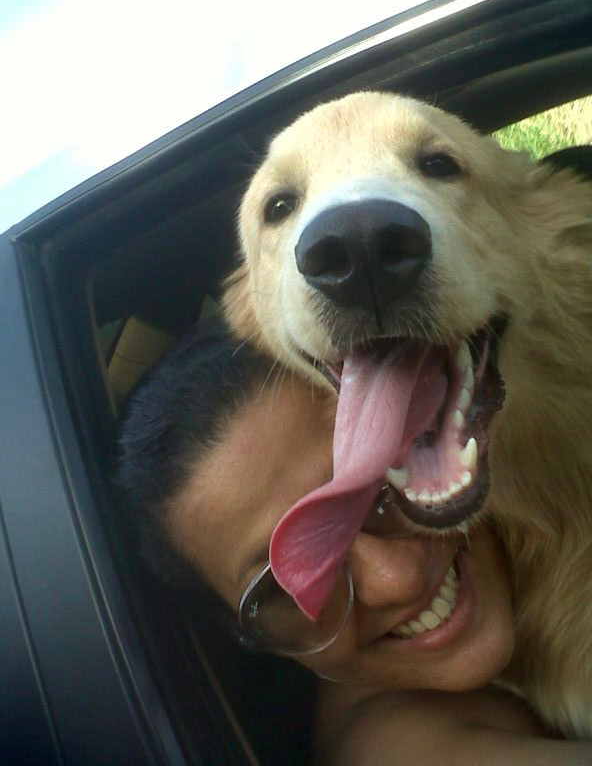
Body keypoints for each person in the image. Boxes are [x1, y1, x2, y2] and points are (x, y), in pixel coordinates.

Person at [115, 320, 592, 765]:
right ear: (250, 639)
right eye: (284, 585)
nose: (397, 580)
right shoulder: (386, 744)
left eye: (386, 485)